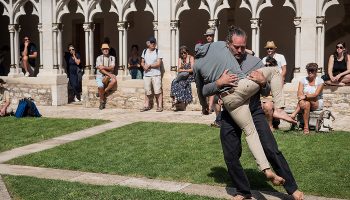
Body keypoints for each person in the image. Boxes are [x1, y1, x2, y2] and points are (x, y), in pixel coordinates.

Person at [194, 26, 302, 200]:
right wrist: (219, 83)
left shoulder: (255, 61)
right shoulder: (218, 57)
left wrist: (261, 83)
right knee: (230, 153)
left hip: (254, 109)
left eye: (243, 47)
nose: (240, 50)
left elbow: (267, 90)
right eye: (236, 47)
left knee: (271, 148)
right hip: (231, 112)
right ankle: (243, 191)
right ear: (228, 44)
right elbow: (204, 89)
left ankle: (292, 188)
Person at [290, 63, 324, 134]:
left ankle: (294, 113)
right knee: (307, 104)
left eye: (312, 70)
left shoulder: (320, 81)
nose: (310, 72)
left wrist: (305, 96)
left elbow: (315, 94)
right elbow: (299, 93)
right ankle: (306, 127)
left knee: (308, 99)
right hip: (306, 102)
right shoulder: (303, 80)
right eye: (308, 70)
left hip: (316, 102)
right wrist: (303, 97)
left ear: (316, 71)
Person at [203, 28, 222, 127]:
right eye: (207, 36)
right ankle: (218, 119)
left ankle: (219, 119)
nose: (208, 37)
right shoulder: (205, 47)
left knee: (218, 97)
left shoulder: (217, 47)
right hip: (209, 74)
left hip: (217, 74)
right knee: (215, 98)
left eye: (210, 35)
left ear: (213, 36)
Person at [140, 36, 163, 112]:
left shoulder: (158, 51)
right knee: (147, 91)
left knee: (157, 91)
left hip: (156, 74)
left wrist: (149, 65)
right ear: (148, 43)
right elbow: (142, 62)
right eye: (151, 42)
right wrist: (144, 66)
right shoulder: (144, 51)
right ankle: (146, 105)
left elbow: (159, 63)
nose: (153, 44)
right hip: (147, 74)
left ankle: (159, 106)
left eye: (154, 42)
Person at [170, 45, 194, 110]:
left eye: (184, 53)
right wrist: (183, 69)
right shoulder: (180, 59)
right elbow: (179, 70)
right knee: (174, 82)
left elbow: (192, 69)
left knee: (182, 83)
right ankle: (175, 98)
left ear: (187, 52)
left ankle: (178, 99)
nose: (183, 54)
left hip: (190, 76)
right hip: (182, 76)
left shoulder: (191, 58)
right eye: (181, 53)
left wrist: (184, 70)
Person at [95, 43, 117, 110]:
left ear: (109, 50)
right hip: (100, 76)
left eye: (107, 49)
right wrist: (109, 73)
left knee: (114, 81)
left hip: (108, 76)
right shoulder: (99, 58)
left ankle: (102, 93)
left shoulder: (112, 58)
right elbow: (101, 70)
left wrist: (104, 67)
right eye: (104, 49)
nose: (105, 50)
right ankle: (102, 102)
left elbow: (112, 68)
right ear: (102, 50)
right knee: (100, 86)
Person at [261, 56, 280, 131]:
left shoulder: (277, 78)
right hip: (261, 99)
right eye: (266, 65)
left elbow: (276, 94)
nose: (268, 67)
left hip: (271, 100)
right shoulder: (261, 76)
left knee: (268, 106)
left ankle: (270, 125)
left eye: (270, 65)